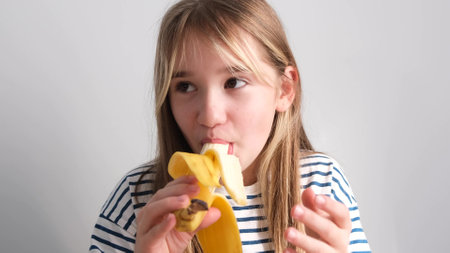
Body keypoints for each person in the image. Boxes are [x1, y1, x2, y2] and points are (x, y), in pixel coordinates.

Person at [89, 0, 371, 252]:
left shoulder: (321, 185)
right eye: (185, 86)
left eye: (234, 82)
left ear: (284, 90)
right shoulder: (138, 200)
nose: (210, 116)